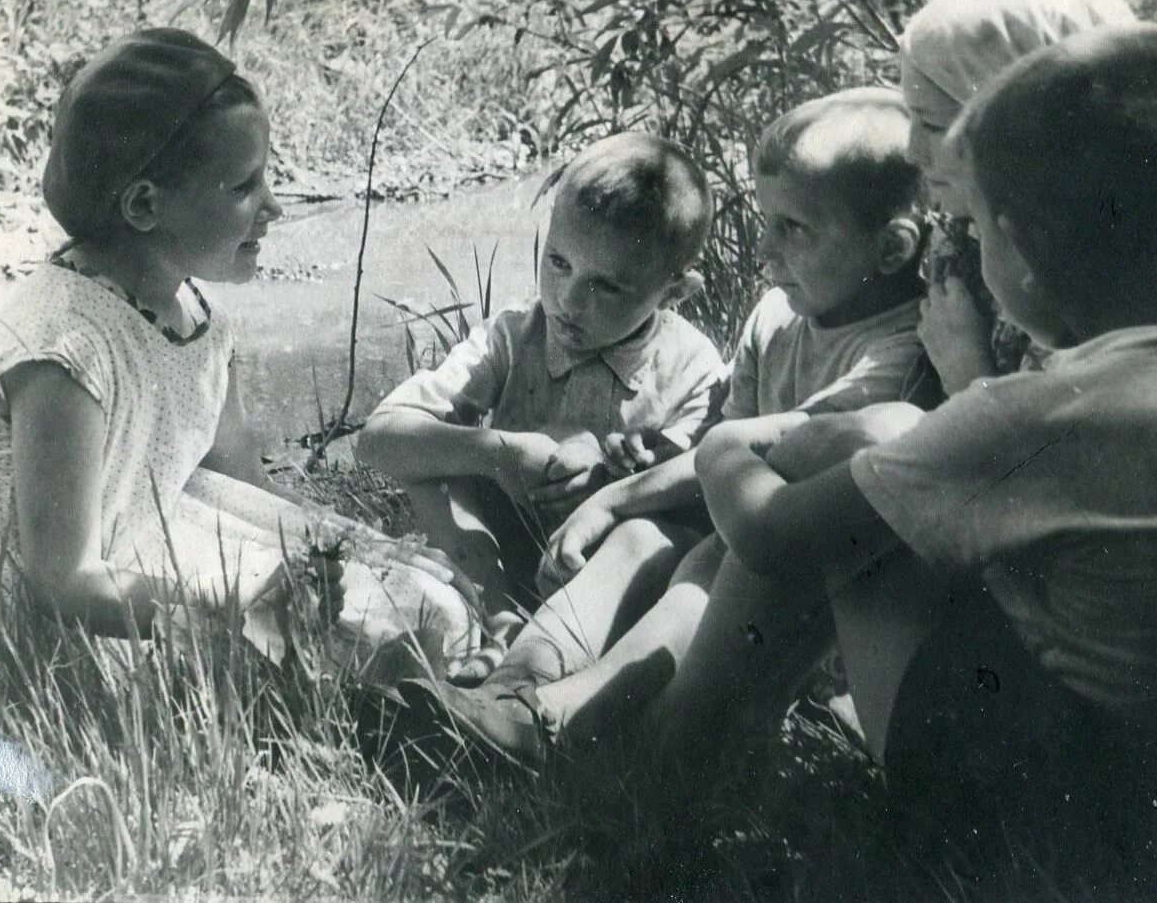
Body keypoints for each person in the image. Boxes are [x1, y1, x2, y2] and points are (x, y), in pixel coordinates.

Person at [654, 23, 1157, 878]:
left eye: (974, 231)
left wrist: (722, 446)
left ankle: (669, 757)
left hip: (1054, 813)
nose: (961, 248)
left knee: (872, 479)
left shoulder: (1038, 412)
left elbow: (774, 537)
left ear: (1025, 260)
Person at [398, 88, 933, 758]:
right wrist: (618, 499)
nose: (764, 251)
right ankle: (507, 687)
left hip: (815, 607)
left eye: (791, 229)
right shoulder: (776, 316)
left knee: (710, 561)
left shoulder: (906, 351)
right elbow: (718, 447)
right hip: (749, 547)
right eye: (765, 223)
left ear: (889, 250)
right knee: (642, 538)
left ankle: (558, 722)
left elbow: (778, 448)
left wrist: (621, 493)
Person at [0, 28, 476, 674]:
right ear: (145, 204)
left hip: (163, 544)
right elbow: (64, 579)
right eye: (243, 187)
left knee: (430, 602)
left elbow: (239, 482)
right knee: (374, 641)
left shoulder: (198, 321)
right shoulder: (65, 351)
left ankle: (446, 684)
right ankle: (436, 703)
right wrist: (244, 603)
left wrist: (361, 548)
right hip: (82, 632)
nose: (274, 207)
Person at [358, 132, 726, 682]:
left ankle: (553, 659)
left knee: (666, 536)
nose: (569, 300)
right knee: (436, 470)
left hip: (602, 575)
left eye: (607, 287)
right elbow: (376, 440)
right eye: (557, 262)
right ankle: (497, 617)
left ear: (676, 293)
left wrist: (615, 479)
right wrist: (497, 452)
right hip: (501, 554)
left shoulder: (694, 370)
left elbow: (702, 494)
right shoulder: (513, 335)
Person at [901, 0, 1134, 394]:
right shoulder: (957, 235)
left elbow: (1066, 447)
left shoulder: (1110, 275)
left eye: (933, 125)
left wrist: (969, 375)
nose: (912, 152)